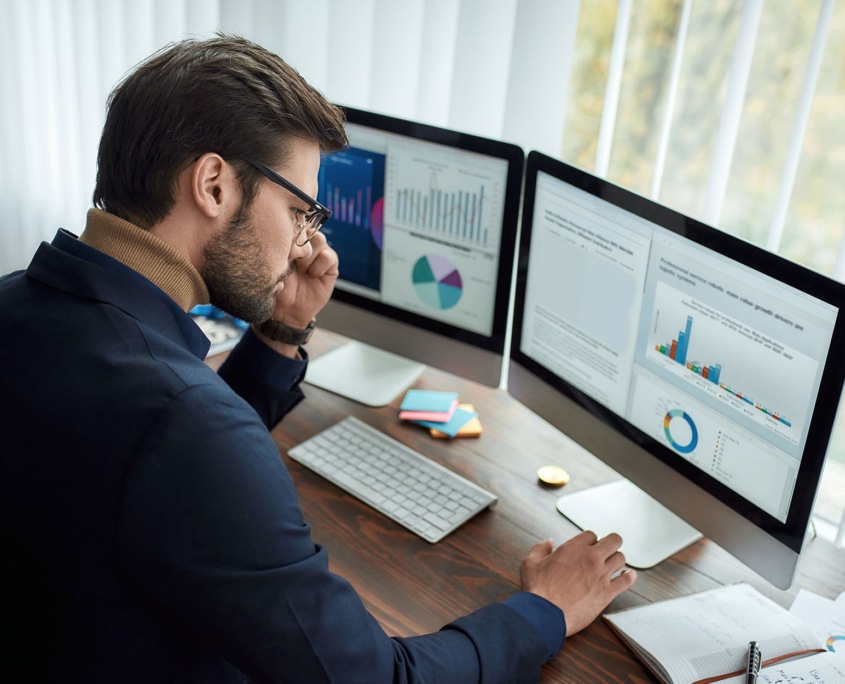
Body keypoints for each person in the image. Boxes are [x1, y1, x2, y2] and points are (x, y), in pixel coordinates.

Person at [0, 35, 636, 684]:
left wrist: (281, 332)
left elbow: (160, 471)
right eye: (299, 211)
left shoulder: (18, 306)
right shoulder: (184, 423)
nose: (305, 244)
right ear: (214, 186)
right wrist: (543, 609)